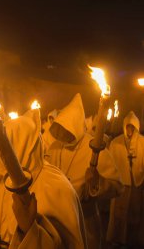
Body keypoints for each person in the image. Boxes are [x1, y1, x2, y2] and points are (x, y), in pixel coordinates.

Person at [0, 109, 86, 249]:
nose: (1, 154)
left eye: (7, 146)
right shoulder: (3, 180)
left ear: (24, 145)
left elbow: (65, 244)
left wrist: (28, 229)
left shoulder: (57, 186)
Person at [47, 93, 123, 249]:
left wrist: (98, 182)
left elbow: (117, 186)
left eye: (65, 128)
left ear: (74, 125)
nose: (61, 133)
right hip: (56, 219)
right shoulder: (54, 147)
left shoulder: (93, 146)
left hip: (84, 220)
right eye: (59, 128)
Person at [107, 111, 144, 248]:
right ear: (124, 127)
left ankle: (132, 239)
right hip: (121, 184)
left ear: (136, 128)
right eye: (128, 127)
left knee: (134, 213)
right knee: (119, 213)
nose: (129, 130)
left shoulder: (142, 143)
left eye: (132, 128)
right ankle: (117, 238)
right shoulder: (116, 143)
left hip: (136, 184)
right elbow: (110, 163)